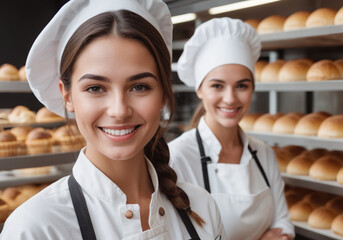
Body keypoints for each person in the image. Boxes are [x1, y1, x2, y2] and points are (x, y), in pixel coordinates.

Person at [0, 0, 225, 239]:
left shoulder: (202, 208)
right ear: (67, 96)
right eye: (96, 88)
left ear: (163, 95)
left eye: (139, 87)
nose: (119, 110)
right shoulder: (35, 228)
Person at [169, 17, 294, 240]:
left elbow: (282, 222)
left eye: (242, 86)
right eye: (217, 85)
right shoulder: (177, 157)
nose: (230, 98)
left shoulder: (263, 154)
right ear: (199, 90)